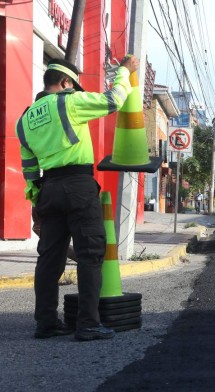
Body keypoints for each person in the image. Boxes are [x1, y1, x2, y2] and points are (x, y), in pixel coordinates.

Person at [17, 55, 140, 341]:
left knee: (49, 259)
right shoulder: (69, 101)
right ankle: (87, 324)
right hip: (78, 185)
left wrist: (38, 206)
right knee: (90, 254)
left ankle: (46, 323)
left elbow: (30, 170)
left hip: (48, 190)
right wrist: (123, 70)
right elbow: (114, 100)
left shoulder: (24, 120)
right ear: (65, 82)